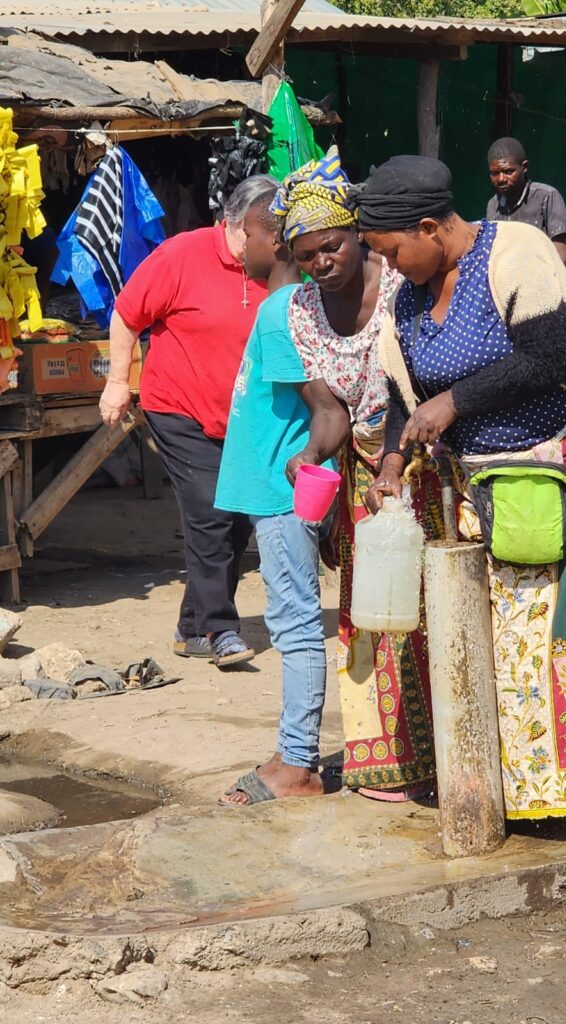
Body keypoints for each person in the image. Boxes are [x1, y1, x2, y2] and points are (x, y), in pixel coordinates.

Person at [354, 155, 566, 843]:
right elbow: (401, 396)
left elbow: (554, 355)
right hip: (494, 490)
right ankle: (545, 797)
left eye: (391, 252)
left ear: (428, 227)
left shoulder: (515, 250)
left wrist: (457, 400)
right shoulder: (410, 299)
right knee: (526, 645)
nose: (388, 268)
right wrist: (391, 459)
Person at [265, 149, 441, 802]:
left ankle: (443, 754)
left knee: (430, 612)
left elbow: (412, 387)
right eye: (307, 254)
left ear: (355, 234)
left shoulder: (401, 283)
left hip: (423, 465)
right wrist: (312, 456)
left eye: (331, 247)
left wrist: (395, 460)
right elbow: (330, 408)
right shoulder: (301, 311)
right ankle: (386, 763)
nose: (321, 262)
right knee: (369, 616)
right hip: (363, 480)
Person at [100, 177, 276, 669]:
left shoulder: (274, 263)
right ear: (236, 225)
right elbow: (126, 314)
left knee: (237, 521)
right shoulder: (183, 253)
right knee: (209, 510)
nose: (270, 244)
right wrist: (118, 380)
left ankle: (190, 627)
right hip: (179, 406)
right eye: (261, 234)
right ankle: (220, 628)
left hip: (242, 416)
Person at [215, 179, 348, 804]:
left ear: (272, 238)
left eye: (245, 231)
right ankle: (291, 751)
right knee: (291, 618)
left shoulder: (282, 311)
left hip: (281, 490)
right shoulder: (285, 306)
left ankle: (297, 763)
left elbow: (325, 406)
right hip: (272, 487)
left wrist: (310, 460)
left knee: (293, 624)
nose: (238, 243)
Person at [486, 136, 566, 267]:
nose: (501, 179)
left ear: (524, 167)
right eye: (494, 173)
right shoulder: (493, 205)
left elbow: (562, 253)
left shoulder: (547, 196)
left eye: (508, 171)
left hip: (545, 278)